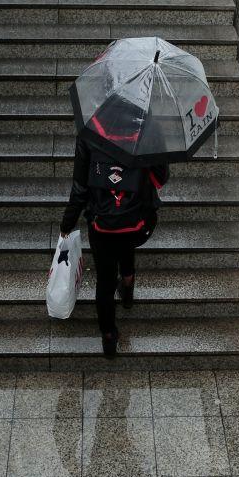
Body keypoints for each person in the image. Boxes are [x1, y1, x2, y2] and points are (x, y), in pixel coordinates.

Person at [59, 138, 169, 357]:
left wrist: (67, 223)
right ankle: (127, 286)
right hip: (136, 219)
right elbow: (160, 177)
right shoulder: (147, 131)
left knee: (105, 280)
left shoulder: (89, 134)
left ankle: (108, 336)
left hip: (102, 224)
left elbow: (80, 188)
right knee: (126, 241)